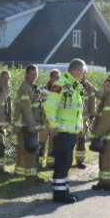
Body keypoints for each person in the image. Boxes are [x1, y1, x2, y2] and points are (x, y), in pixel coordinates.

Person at [44, 59, 90, 203]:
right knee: (62, 162)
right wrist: (53, 125)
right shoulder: (61, 84)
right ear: (76, 70)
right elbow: (49, 106)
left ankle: (64, 191)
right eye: (82, 71)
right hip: (62, 131)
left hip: (71, 132)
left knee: (67, 161)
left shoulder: (75, 86)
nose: (83, 74)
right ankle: (58, 194)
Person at [14, 65, 45, 181]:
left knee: (23, 149)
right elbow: (26, 109)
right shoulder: (25, 88)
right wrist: (31, 125)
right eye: (32, 74)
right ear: (26, 74)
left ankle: (20, 172)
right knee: (31, 150)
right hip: (28, 125)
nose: (34, 76)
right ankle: (32, 176)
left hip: (29, 124)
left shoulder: (32, 87)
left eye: (35, 74)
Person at [40, 69, 61, 168]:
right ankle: (38, 163)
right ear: (51, 78)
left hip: (54, 121)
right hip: (44, 121)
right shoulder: (43, 89)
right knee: (41, 142)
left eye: (59, 77)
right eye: (56, 77)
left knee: (53, 144)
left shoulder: (59, 90)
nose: (58, 79)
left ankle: (51, 163)